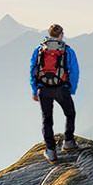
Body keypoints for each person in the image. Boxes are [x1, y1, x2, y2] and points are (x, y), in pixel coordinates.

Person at [29, 23, 81, 163]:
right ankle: (68, 142)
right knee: (70, 113)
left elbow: (33, 69)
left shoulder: (39, 50)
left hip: (43, 89)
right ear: (61, 35)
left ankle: (51, 151)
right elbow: (74, 71)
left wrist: (35, 90)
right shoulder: (67, 51)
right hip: (61, 88)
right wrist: (71, 89)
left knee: (47, 120)